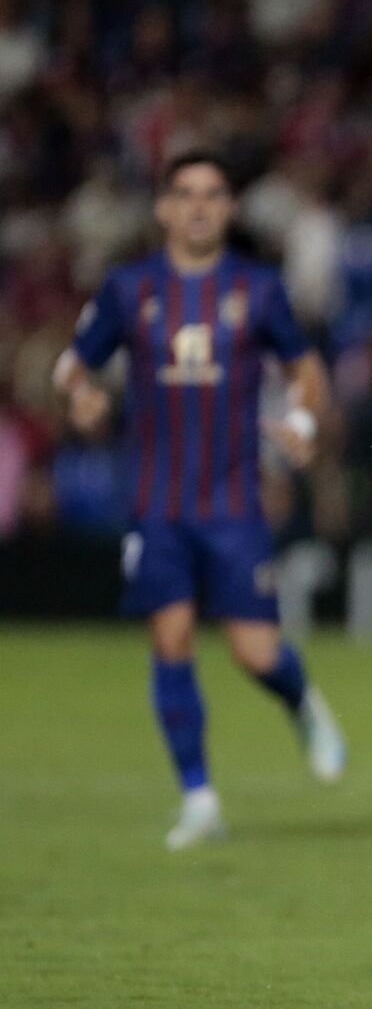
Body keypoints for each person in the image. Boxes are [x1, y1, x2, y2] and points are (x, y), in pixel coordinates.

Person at [55, 151, 347, 851]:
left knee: (255, 652)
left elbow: (307, 370)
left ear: (230, 209)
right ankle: (199, 798)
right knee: (172, 637)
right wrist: (81, 395)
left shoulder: (259, 289)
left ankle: (300, 699)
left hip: (233, 501)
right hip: (156, 503)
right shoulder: (129, 289)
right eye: (185, 193)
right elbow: (73, 364)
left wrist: (302, 423)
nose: (198, 206)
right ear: (162, 208)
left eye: (213, 194)